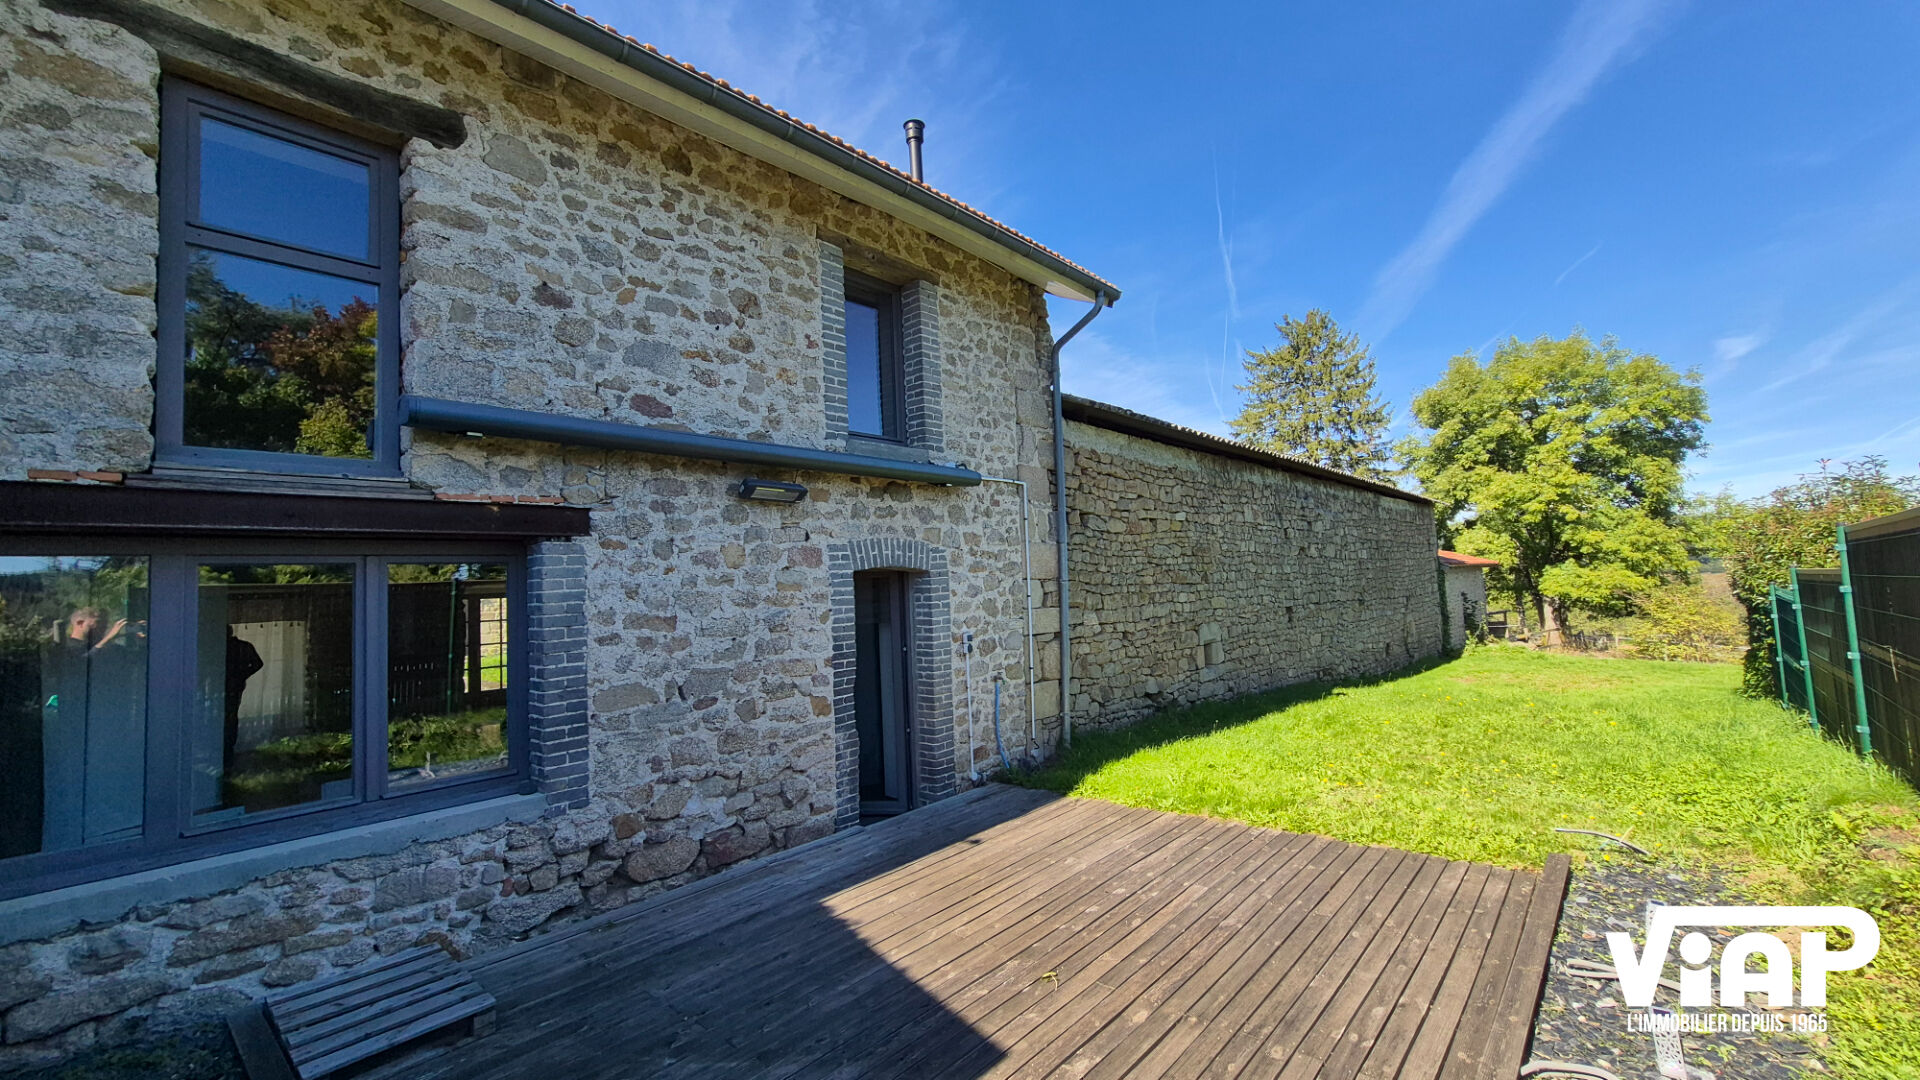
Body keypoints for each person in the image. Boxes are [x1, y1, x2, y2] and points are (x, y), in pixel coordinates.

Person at [222, 625, 264, 767]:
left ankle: (228, 746)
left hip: (232, 686)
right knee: (229, 715)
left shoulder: (240, 647)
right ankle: (227, 745)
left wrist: (241, 675)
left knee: (230, 715)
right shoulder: (238, 647)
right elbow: (257, 663)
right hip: (226, 686)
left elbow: (258, 663)